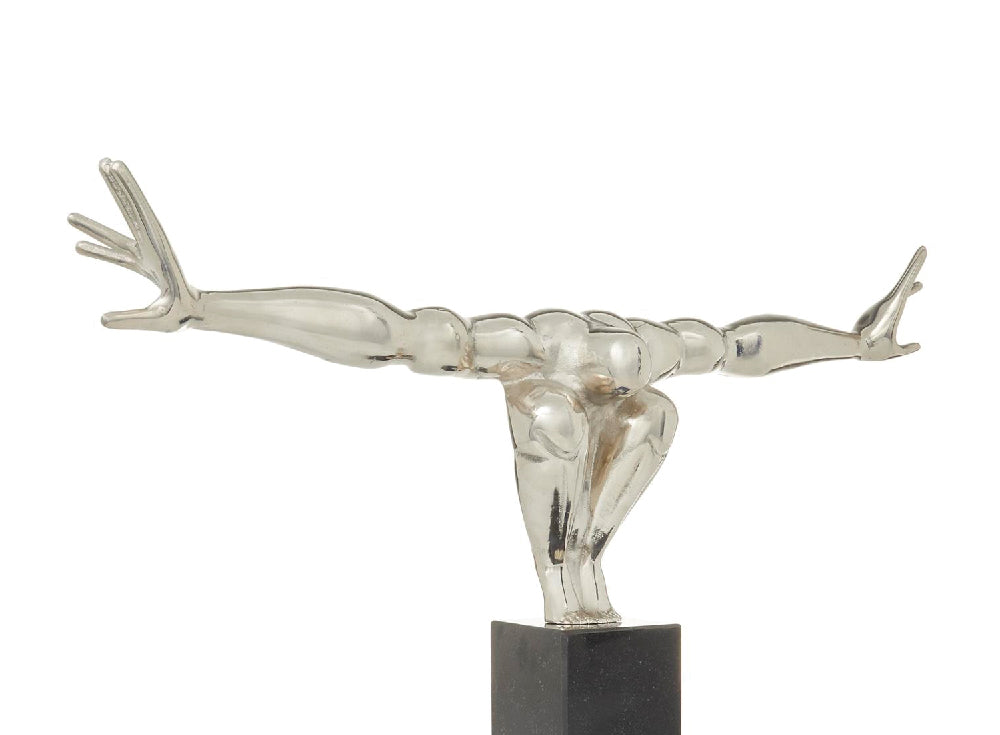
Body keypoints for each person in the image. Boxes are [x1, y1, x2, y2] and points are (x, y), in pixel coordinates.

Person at [70, 159, 924, 624]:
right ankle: (556, 574)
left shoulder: (647, 357)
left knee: (660, 414)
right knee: (550, 412)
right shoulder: (531, 350)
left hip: (624, 381)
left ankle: (585, 559)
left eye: (611, 387)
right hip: (534, 383)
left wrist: (853, 346)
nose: (607, 399)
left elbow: (742, 347)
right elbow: (389, 334)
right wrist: (206, 307)